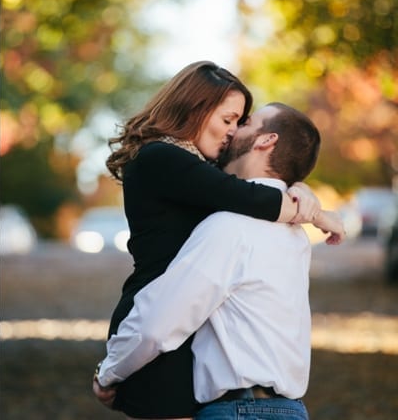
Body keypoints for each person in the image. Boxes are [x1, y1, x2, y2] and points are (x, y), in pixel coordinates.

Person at [96, 61, 337, 420]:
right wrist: (310, 211)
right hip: (157, 332)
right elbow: (248, 195)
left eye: (240, 123)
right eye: (228, 120)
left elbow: (258, 178)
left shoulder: (205, 175)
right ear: (194, 108)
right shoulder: (161, 158)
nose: (232, 131)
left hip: (185, 337)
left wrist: (299, 188)